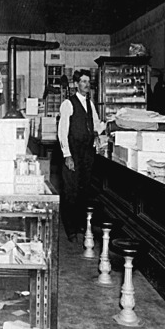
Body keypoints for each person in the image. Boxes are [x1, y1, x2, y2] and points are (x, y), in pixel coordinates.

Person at [57, 69, 105, 243]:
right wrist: (67, 155)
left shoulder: (90, 104)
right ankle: (70, 229)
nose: (86, 84)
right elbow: (62, 132)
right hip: (73, 152)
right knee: (70, 191)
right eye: (83, 81)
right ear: (76, 84)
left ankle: (79, 225)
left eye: (88, 82)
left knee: (83, 191)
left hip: (87, 153)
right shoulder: (68, 104)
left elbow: (96, 124)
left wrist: (98, 133)